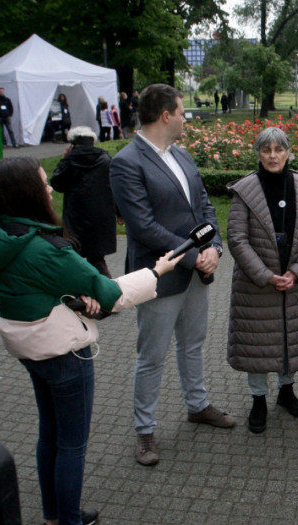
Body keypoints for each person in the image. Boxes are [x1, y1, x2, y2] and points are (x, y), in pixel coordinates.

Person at [0, 156, 184, 525]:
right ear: (25, 194)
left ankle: (55, 513)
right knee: (72, 443)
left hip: (29, 348)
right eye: (41, 182)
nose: (49, 187)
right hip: (62, 353)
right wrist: (156, 271)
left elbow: (39, 287)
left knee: (49, 433)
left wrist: (74, 299)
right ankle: (68, 520)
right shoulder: (46, 249)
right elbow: (109, 293)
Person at [109, 84, 234, 468]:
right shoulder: (127, 162)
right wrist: (194, 255)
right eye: (182, 111)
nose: (185, 117)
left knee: (193, 343)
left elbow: (204, 206)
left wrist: (214, 247)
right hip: (159, 275)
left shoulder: (182, 155)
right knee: (152, 356)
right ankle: (144, 432)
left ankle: (197, 406)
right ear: (165, 114)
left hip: (196, 270)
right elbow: (142, 226)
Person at [226, 127, 298, 433]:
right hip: (257, 286)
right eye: (266, 150)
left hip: (297, 280)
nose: (272, 155)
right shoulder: (245, 190)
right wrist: (266, 276)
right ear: (258, 153)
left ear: (288, 152)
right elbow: (237, 240)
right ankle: (258, 399)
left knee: (289, 336)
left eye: (278, 149)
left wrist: (297, 271)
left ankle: (286, 391)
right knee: (258, 344)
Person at [50, 126, 116, 278]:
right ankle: (108, 293)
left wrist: (63, 159)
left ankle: (78, 293)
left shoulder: (70, 161)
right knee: (98, 260)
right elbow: (114, 186)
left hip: (76, 216)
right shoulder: (105, 159)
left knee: (74, 258)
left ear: (72, 144)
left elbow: (57, 184)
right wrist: (118, 212)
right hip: (100, 216)